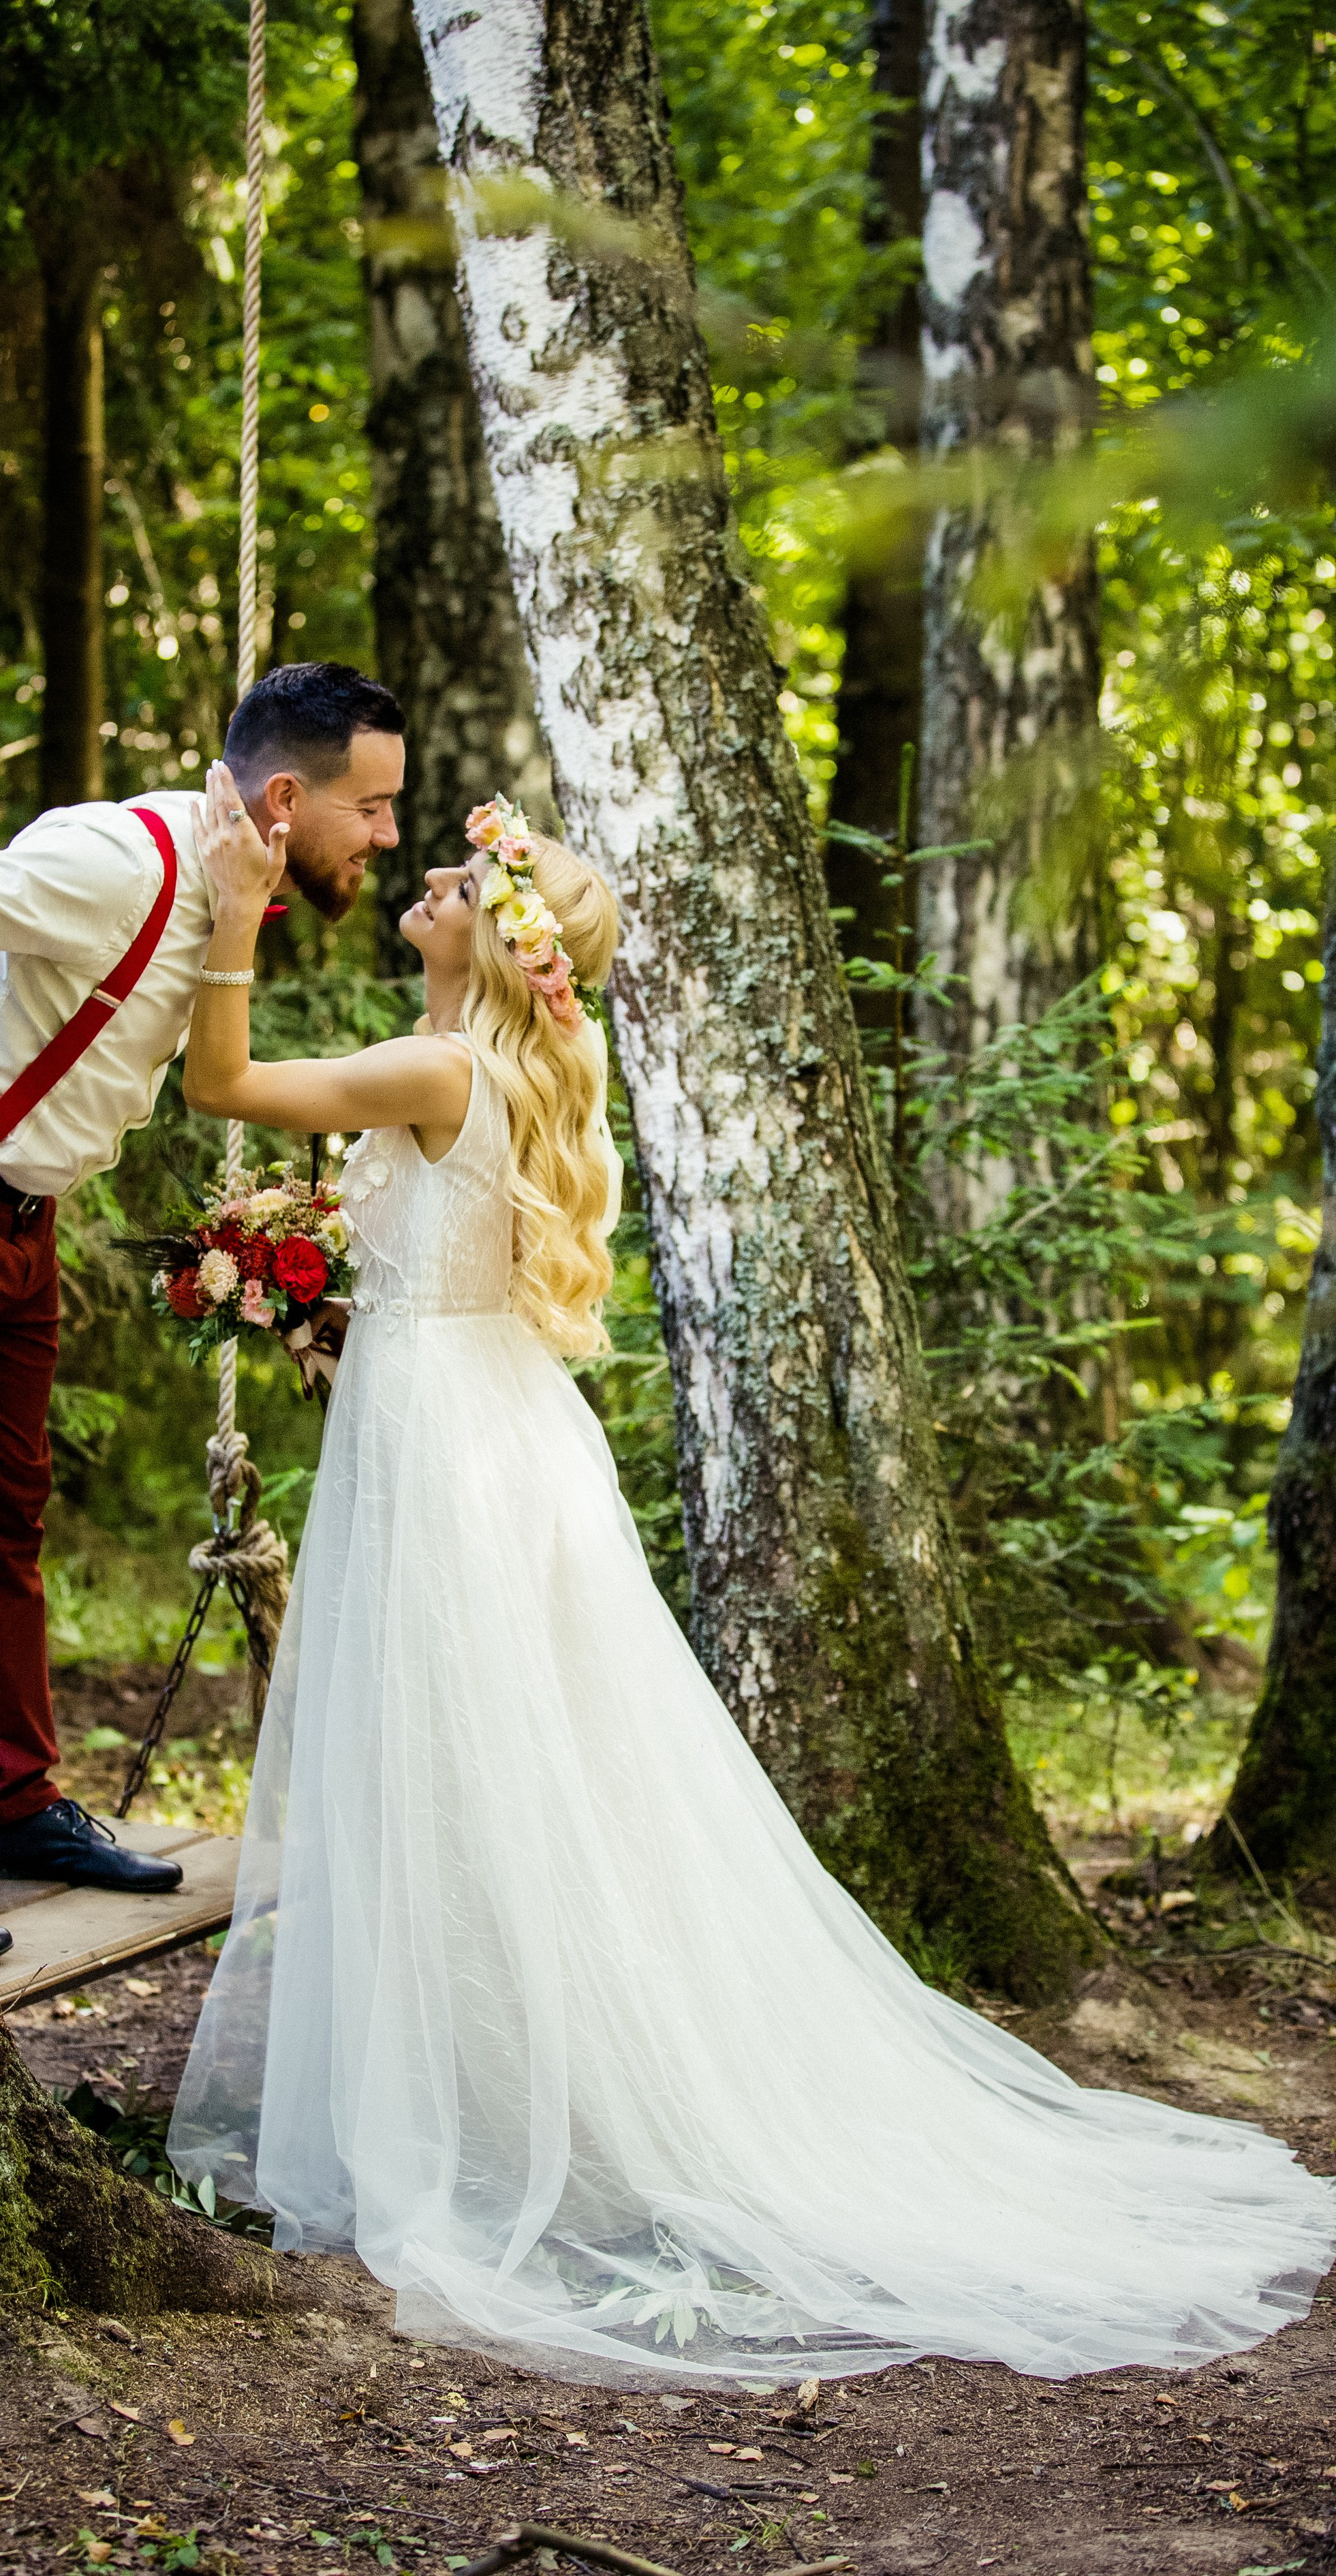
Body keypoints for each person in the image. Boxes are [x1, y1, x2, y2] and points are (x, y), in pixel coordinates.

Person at [166, 786, 1336, 2388]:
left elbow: (222, 1081)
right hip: (489, 1421)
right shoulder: (490, 1063)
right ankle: (503, 2089)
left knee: (459, 1759)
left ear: (497, 945)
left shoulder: (441, 1071)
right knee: (503, 1765)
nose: (427, 871)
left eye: (461, 876)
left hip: (449, 1440)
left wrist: (234, 907)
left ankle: (503, 2110)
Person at [0, 664, 404, 1905]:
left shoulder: (230, 889)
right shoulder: (121, 860)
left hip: (21, 1222)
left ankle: (9, 1806)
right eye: (372, 807)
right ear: (287, 799)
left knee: (0, 1520)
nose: (386, 835)